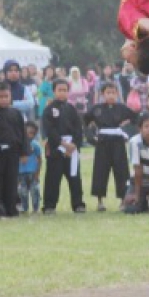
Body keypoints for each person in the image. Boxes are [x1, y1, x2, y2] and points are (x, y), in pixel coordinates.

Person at [84, 82, 138, 211]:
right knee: (100, 171)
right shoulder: (96, 108)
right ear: (103, 94)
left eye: (113, 93)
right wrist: (91, 136)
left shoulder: (122, 108)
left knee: (122, 171)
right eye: (108, 93)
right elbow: (85, 121)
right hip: (102, 141)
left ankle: (123, 200)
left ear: (117, 94)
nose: (111, 95)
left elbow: (135, 118)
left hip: (118, 141)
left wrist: (125, 130)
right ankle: (100, 201)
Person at [0, 82, 30, 217]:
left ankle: (11, 209)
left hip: (13, 152)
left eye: (6, 96)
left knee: (11, 181)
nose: (3, 99)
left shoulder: (16, 113)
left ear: (10, 96)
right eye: (0, 96)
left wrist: (24, 152)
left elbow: (22, 133)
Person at [41, 79, 87, 214]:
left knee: (75, 177)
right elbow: (49, 130)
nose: (62, 93)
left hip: (71, 148)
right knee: (52, 178)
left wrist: (74, 145)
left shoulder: (71, 109)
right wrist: (62, 144)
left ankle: (78, 204)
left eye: (65, 90)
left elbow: (78, 128)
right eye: (59, 90)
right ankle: (49, 205)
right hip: (56, 148)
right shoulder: (49, 110)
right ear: (54, 91)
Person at [17, 121, 41, 214]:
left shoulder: (35, 145)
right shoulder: (19, 145)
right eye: (27, 133)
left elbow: (39, 159)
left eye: (32, 133)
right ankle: (24, 207)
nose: (29, 135)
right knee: (22, 192)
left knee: (35, 191)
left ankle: (35, 208)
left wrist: (37, 173)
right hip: (21, 173)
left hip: (32, 173)